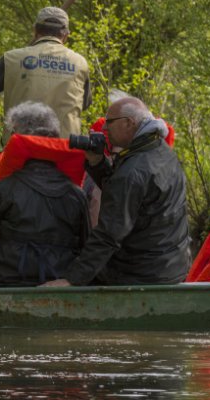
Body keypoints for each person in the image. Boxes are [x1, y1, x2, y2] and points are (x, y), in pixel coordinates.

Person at [43, 97, 191, 287]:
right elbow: (127, 193)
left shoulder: (134, 170)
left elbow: (109, 235)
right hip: (173, 267)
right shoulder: (160, 151)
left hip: (142, 273)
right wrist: (97, 162)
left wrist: (71, 280)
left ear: (128, 123)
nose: (104, 129)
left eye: (109, 122)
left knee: (62, 263)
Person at [0, 102, 90, 286]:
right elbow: (87, 245)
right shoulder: (77, 194)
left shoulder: (4, 188)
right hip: (58, 280)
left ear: (16, 137)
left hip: (5, 278)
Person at [0, 6, 91, 138]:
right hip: (65, 150)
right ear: (66, 35)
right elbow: (84, 104)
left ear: (35, 31)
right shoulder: (80, 63)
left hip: (21, 147)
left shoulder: (12, 58)